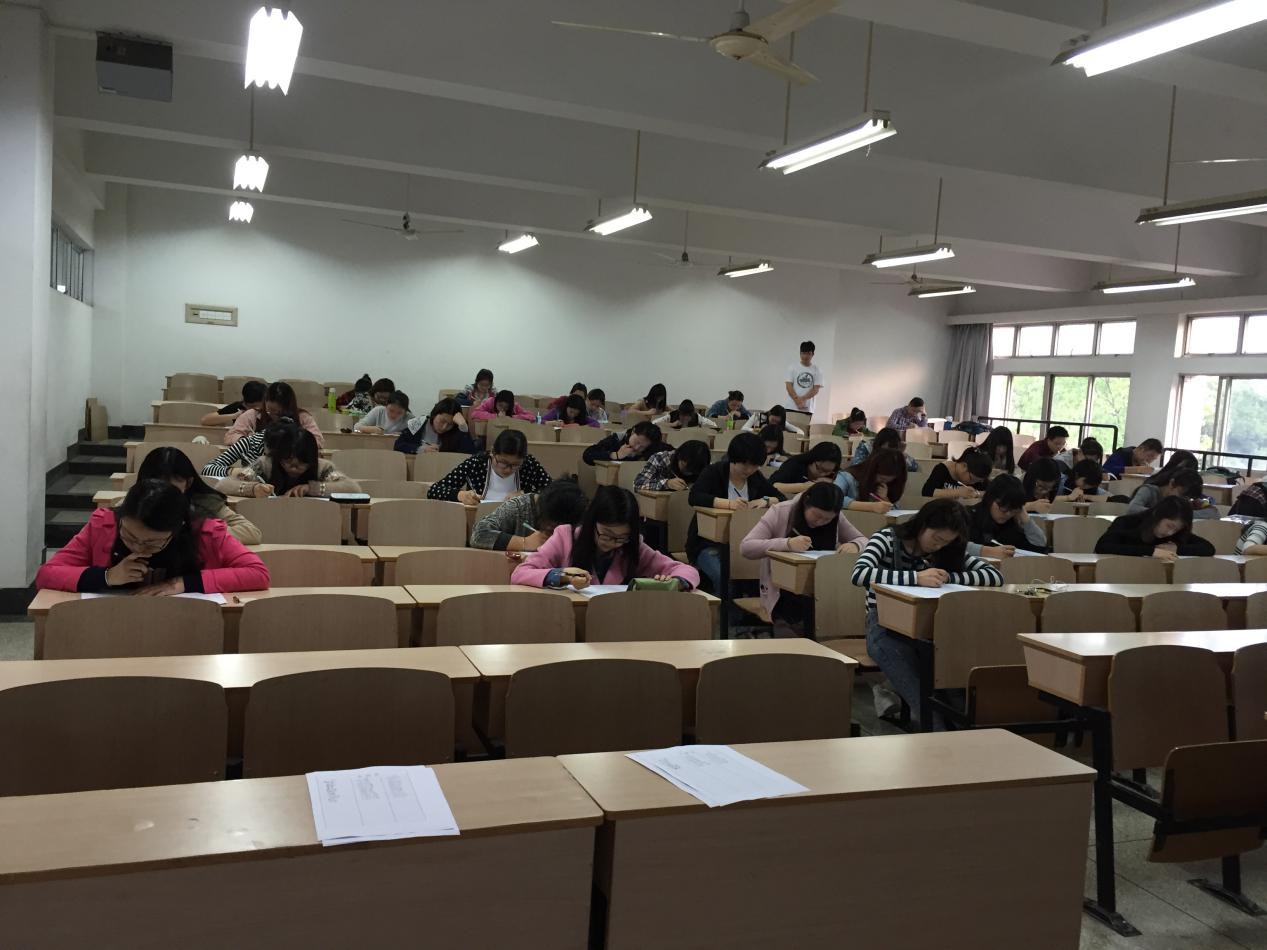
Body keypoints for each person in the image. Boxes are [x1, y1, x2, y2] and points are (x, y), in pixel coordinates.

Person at [852, 499, 1002, 728]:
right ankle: (938, 732)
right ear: (923, 524)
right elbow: (859, 574)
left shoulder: (948, 550)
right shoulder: (887, 539)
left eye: (946, 542)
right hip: (883, 624)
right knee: (915, 680)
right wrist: (916, 578)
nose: (938, 546)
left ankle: (963, 730)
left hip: (930, 627)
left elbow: (995, 576)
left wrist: (950, 577)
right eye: (936, 538)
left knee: (951, 677)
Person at [35, 479, 269, 594]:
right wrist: (108, 576)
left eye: (152, 543)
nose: (138, 548)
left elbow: (258, 574)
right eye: (129, 536)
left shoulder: (206, 533)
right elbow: (47, 574)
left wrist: (182, 584)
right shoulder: (103, 525)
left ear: (177, 530)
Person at [512, 486, 700, 590]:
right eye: (607, 535)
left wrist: (676, 582)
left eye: (622, 537)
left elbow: (687, 570)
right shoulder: (565, 536)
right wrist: (562, 576)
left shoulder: (633, 546)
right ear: (591, 523)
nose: (613, 543)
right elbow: (520, 573)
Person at [741, 483, 865, 634]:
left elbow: (863, 540)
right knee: (793, 626)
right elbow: (746, 547)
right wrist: (787, 544)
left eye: (827, 519)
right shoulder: (780, 511)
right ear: (806, 501)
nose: (820, 522)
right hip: (783, 593)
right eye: (817, 515)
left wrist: (855, 545)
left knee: (838, 619)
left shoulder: (836, 516)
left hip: (822, 589)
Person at [687, 432, 783, 595]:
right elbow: (695, 497)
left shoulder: (755, 478)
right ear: (733, 458)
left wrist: (765, 501)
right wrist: (729, 504)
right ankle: (724, 611)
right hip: (708, 545)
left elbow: (781, 498)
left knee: (768, 573)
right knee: (723, 575)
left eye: (754, 465)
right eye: (744, 464)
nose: (749, 470)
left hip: (744, 544)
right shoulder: (714, 472)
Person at [138, 446, 261, 545]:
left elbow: (251, 533)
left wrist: (197, 532)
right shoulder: (136, 501)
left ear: (188, 483)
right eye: (157, 483)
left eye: (173, 483)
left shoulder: (205, 501)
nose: (163, 490)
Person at [221, 423, 360, 499]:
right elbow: (223, 485)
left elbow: (353, 489)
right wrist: (253, 489)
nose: (293, 469)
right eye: (287, 462)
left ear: (312, 459)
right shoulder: (264, 464)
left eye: (301, 464)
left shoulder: (323, 467)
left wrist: (312, 488)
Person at [427, 429, 551, 505]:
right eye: (503, 462)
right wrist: (460, 495)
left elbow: (553, 491)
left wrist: (526, 495)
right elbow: (434, 490)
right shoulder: (477, 463)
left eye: (515, 465)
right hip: (479, 521)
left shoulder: (528, 464)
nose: (508, 469)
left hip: (518, 524)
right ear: (492, 452)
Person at [470, 478, 588, 553]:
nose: (555, 534)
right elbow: (479, 534)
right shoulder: (520, 507)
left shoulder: (579, 516)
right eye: (551, 529)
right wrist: (525, 542)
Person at [1095, 496, 1216, 559]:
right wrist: (1151, 551)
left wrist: (1177, 548)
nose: (1170, 533)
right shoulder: (1127, 522)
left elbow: (1208, 548)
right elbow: (1102, 546)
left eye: (1176, 529)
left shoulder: (1176, 533)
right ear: (1157, 514)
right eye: (1169, 526)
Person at [965, 475, 1049, 558]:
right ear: (990, 499)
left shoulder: (1012, 524)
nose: (1008, 514)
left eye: (1013, 510)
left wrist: (1025, 518)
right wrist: (989, 551)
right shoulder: (968, 515)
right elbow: (958, 546)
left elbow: (1040, 544)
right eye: (1004, 509)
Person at [225, 381, 324, 447]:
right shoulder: (253, 415)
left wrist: (294, 441)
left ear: (288, 408)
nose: (273, 415)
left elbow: (318, 440)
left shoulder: (302, 417)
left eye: (279, 413)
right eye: (269, 411)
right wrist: (248, 441)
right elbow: (230, 436)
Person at [1126, 457, 1218, 519]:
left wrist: (1180, 514)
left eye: (1187, 498)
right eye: (1181, 494)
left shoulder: (1184, 502)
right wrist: (1165, 513)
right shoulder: (1149, 491)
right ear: (1171, 483)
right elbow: (1132, 509)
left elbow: (1215, 513)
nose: (1183, 500)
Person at [836, 449, 909, 513]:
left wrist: (885, 499)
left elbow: (896, 512)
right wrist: (871, 507)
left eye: (889, 481)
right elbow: (834, 498)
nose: (884, 483)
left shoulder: (889, 485)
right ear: (871, 472)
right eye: (882, 479)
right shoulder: (846, 477)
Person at [394, 398, 474, 454]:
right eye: (442, 421)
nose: (444, 427)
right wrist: (421, 449)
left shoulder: (457, 430)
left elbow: (468, 454)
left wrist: (463, 428)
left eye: (450, 424)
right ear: (435, 414)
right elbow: (398, 445)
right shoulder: (419, 422)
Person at [634, 440, 712, 491]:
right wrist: (667, 483)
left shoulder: (705, 467)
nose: (688, 473)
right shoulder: (660, 458)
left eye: (692, 471)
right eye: (684, 467)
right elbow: (638, 483)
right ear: (679, 455)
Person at [769, 442, 842, 496]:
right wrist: (805, 487)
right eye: (819, 468)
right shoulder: (794, 464)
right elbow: (773, 485)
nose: (822, 474)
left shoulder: (836, 475)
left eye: (827, 471)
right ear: (811, 459)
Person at [582, 421, 663, 466]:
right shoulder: (616, 439)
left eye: (642, 447)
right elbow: (587, 455)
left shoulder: (653, 448)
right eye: (637, 442)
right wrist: (616, 455)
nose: (637, 448)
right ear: (633, 431)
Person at [922, 448, 992, 498]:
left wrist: (977, 494)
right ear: (964, 466)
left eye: (978, 481)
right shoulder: (942, 469)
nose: (973, 483)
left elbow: (991, 493)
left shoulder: (978, 475)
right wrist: (958, 492)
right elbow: (927, 492)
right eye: (971, 479)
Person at [851, 426, 920, 472]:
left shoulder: (895, 450)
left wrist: (901, 454)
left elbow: (914, 467)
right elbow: (856, 467)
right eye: (886, 448)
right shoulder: (865, 447)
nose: (888, 452)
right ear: (879, 443)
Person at [199, 380, 265, 427]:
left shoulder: (266, 410)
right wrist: (234, 416)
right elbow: (205, 420)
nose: (257, 408)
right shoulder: (238, 407)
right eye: (253, 406)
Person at [785, 341, 823, 415]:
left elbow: (816, 389)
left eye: (808, 353)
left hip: (807, 408)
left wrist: (803, 399)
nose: (805, 356)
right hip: (791, 407)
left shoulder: (817, 370)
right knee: (789, 423)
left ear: (813, 354)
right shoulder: (792, 367)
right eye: (803, 353)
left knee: (803, 423)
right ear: (800, 353)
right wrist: (797, 400)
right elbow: (788, 386)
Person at [471, 389, 535, 422]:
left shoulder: (515, 405)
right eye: (500, 405)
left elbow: (531, 416)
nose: (502, 409)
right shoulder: (491, 401)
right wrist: (496, 416)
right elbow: (475, 413)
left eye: (506, 407)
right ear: (496, 401)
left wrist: (510, 417)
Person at [653, 398, 719, 431]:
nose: (685, 418)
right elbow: (653, 423)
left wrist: (699, 428)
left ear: (692, 415)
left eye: (688, 416)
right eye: (682, 415)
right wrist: (672, 424)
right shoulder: (672, 415)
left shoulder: (698, 417)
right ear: (679, 413)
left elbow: (715, 427)